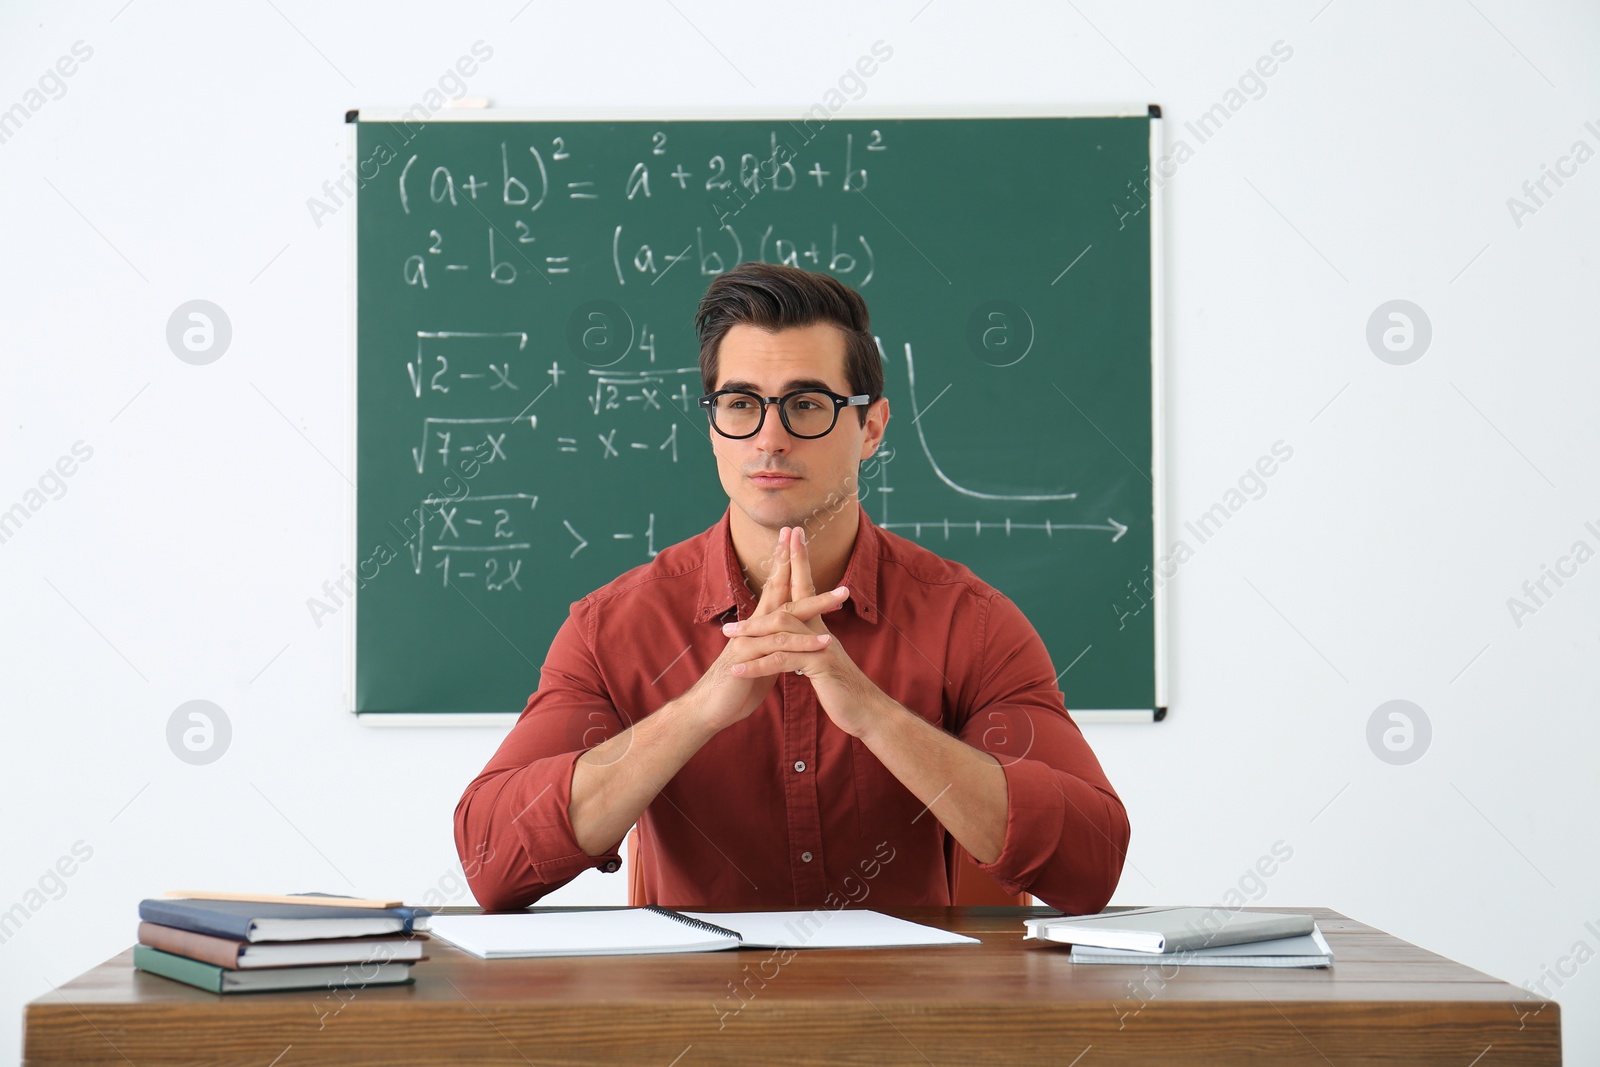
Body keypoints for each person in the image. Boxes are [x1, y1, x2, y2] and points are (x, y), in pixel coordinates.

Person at [454, 262, 1128, 913]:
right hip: (688, 1019)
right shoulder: (613, 628)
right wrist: (700, 710)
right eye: (741, 404)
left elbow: (1089, 863)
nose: (770, 437)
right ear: (712, 426)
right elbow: (490, 859)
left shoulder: (970, 623)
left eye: (807, 404)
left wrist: (874, 714)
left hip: (907, 1018)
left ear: (870, 428)